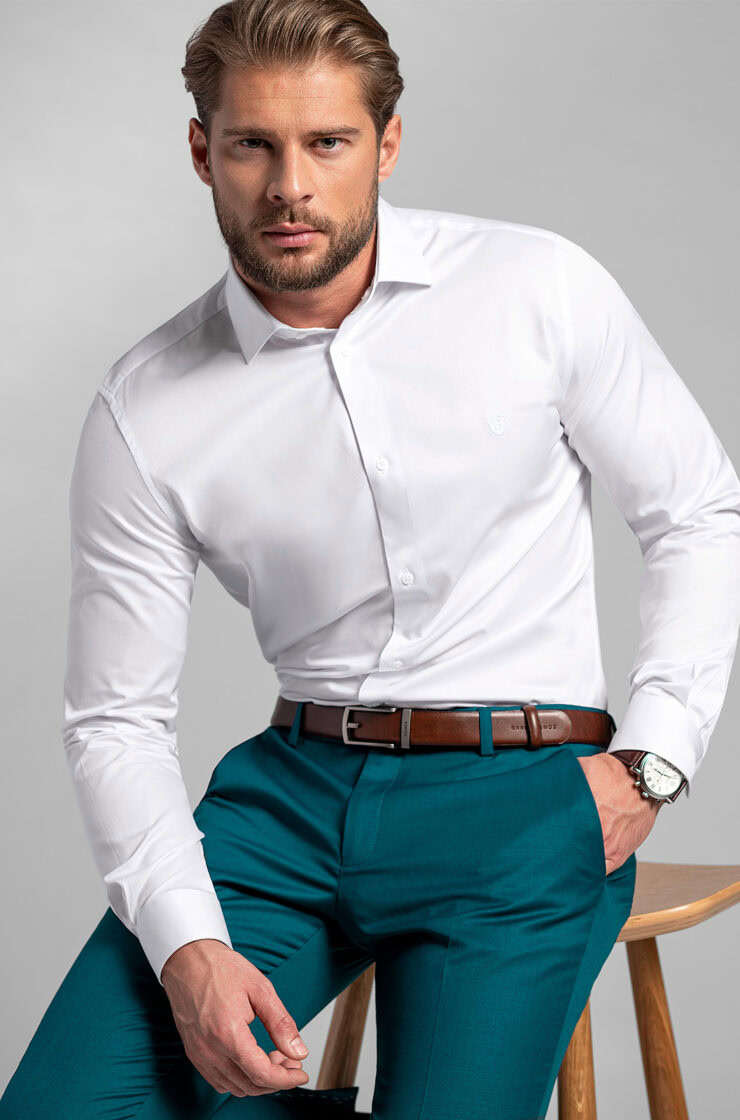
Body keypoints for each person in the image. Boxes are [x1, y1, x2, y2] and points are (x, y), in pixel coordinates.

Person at [3, 0, 739, 1117]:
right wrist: (189, 947)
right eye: (252, 145)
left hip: (522, 799)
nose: (289, 185)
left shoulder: (536, 288)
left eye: (328, 142)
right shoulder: (145, 404)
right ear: (201, 151)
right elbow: (116, 718)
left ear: (386, 144)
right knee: (61, 1110)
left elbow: (696, 513)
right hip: (288, 806)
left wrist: (651, 763)